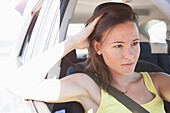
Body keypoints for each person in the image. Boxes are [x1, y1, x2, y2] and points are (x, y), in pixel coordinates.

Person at [6, 2, 170, 113]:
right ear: (98, 47)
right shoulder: (88, 87)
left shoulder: (156, 82)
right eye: (118, 46)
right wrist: (73, 42)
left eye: (134, 43)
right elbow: (16, 85)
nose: (129, 55)